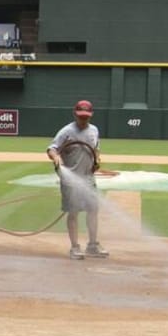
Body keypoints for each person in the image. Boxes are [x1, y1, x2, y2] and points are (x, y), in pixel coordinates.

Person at [47, 99, 107, 260]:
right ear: (75, 114)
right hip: (71, 179)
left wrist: (97, 161)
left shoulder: (94, 130)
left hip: (88, 177)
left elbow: (96, 149)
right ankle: (75, 247)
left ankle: (93, 245)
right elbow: (51, 148)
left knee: (93, 210)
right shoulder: (66, 131)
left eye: (86, 116)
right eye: (81, 116)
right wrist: (56, 157)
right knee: (73, 212)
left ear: (91, 115)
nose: (83, 119)